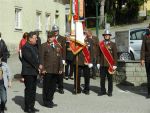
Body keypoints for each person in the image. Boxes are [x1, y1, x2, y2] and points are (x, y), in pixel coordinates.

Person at [40, 31, 63, 108]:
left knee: (53, 87)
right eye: (48, 37)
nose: (49, 38)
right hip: (47, 70)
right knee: (46, 86)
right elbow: (41, 58)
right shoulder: (43, 46)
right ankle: (46, 101)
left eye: (51, 37)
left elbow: (60, 58)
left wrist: (60, 68)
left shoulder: (58, 46)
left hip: (55, 69)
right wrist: (42, 69)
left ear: (54, 37)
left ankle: (50, 99)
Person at [21, 31, 40, 113]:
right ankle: (27, 107)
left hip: (34, 72)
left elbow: (37, 57)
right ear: (30, 38)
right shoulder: (26, 47)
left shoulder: (34, 46)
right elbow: (30, 59)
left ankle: (32, 106)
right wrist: (38, 66)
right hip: (28, 72)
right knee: (29, 90)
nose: (37, 39)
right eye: (35, 38)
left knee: (33, 90)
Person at [97, 29, 117, 97]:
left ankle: (110, 91)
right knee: (102, 79)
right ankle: (103, 91)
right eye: (105, 35)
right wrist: (98, 63)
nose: (106, 36)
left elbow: (115, 55)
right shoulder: (101, 44)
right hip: (102, 64)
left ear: (109, 36)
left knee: (110, 79)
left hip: (110, 65)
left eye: (107, 35)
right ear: (104, 36)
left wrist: (115, 64)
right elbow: (98, 54)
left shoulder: (113, 44)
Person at [51, 25, 66, 94]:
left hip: (60, 58)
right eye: (54, 31)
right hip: (53, 58)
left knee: (60, 74)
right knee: (53, 73)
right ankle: (53, 87)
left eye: (56, 31)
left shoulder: (62, 38)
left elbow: (64, 49)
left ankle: (61, 88)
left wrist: (63, 58)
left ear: (58, 31)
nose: (55, 32)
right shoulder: (51, 38)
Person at [140, 29, 150, 98]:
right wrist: (142, 59)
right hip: (148, 59)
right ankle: (149, 93)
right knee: (149, 76)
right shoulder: (145, 36)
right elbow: (143, 48)